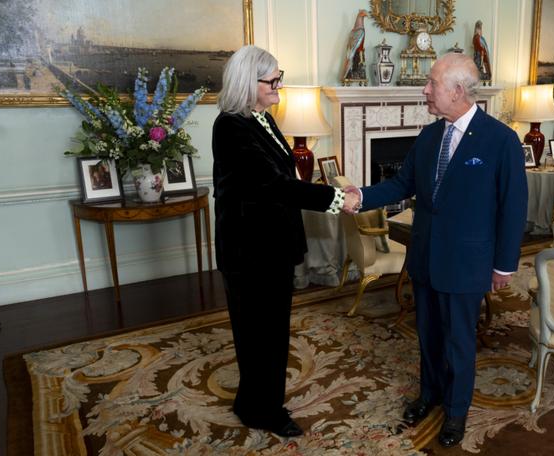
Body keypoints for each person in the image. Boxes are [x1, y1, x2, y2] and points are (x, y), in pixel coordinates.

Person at [345, 53, 527, 448]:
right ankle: (429, 395)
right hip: (425, 256)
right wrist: (361, 195)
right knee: (427, 335)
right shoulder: (429, 136)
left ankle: (457, 412)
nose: (425, 90)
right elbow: (400, 185)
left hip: (467, 263)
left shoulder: (501, 140)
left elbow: (513, 208)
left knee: (459, 341)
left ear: (458, 91)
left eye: (432, 83)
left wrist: (504, 266)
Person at [212, 45, 359, 438]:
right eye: (272, 80)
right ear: (249, 82)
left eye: (279, 77)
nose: (279, 85)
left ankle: (255, 402)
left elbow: (286, 180)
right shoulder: (229, 127)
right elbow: (275, 185)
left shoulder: (263, 118)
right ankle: (263, 411)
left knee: (272, 331)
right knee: (256, 334)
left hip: (271, 246)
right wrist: (338, 198)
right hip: (249, 251)